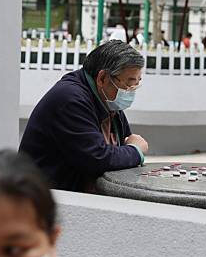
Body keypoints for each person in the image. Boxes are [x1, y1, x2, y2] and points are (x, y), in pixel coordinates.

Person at [19, 40, 148, 192]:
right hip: (44, 198)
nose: (131, 91)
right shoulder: (70, 99)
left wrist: (128, 150)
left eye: (136, 84)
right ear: (102, 78)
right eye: (128, 84)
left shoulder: (109, 101)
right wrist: (135, 151)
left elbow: (122, 144)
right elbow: (97, 158)